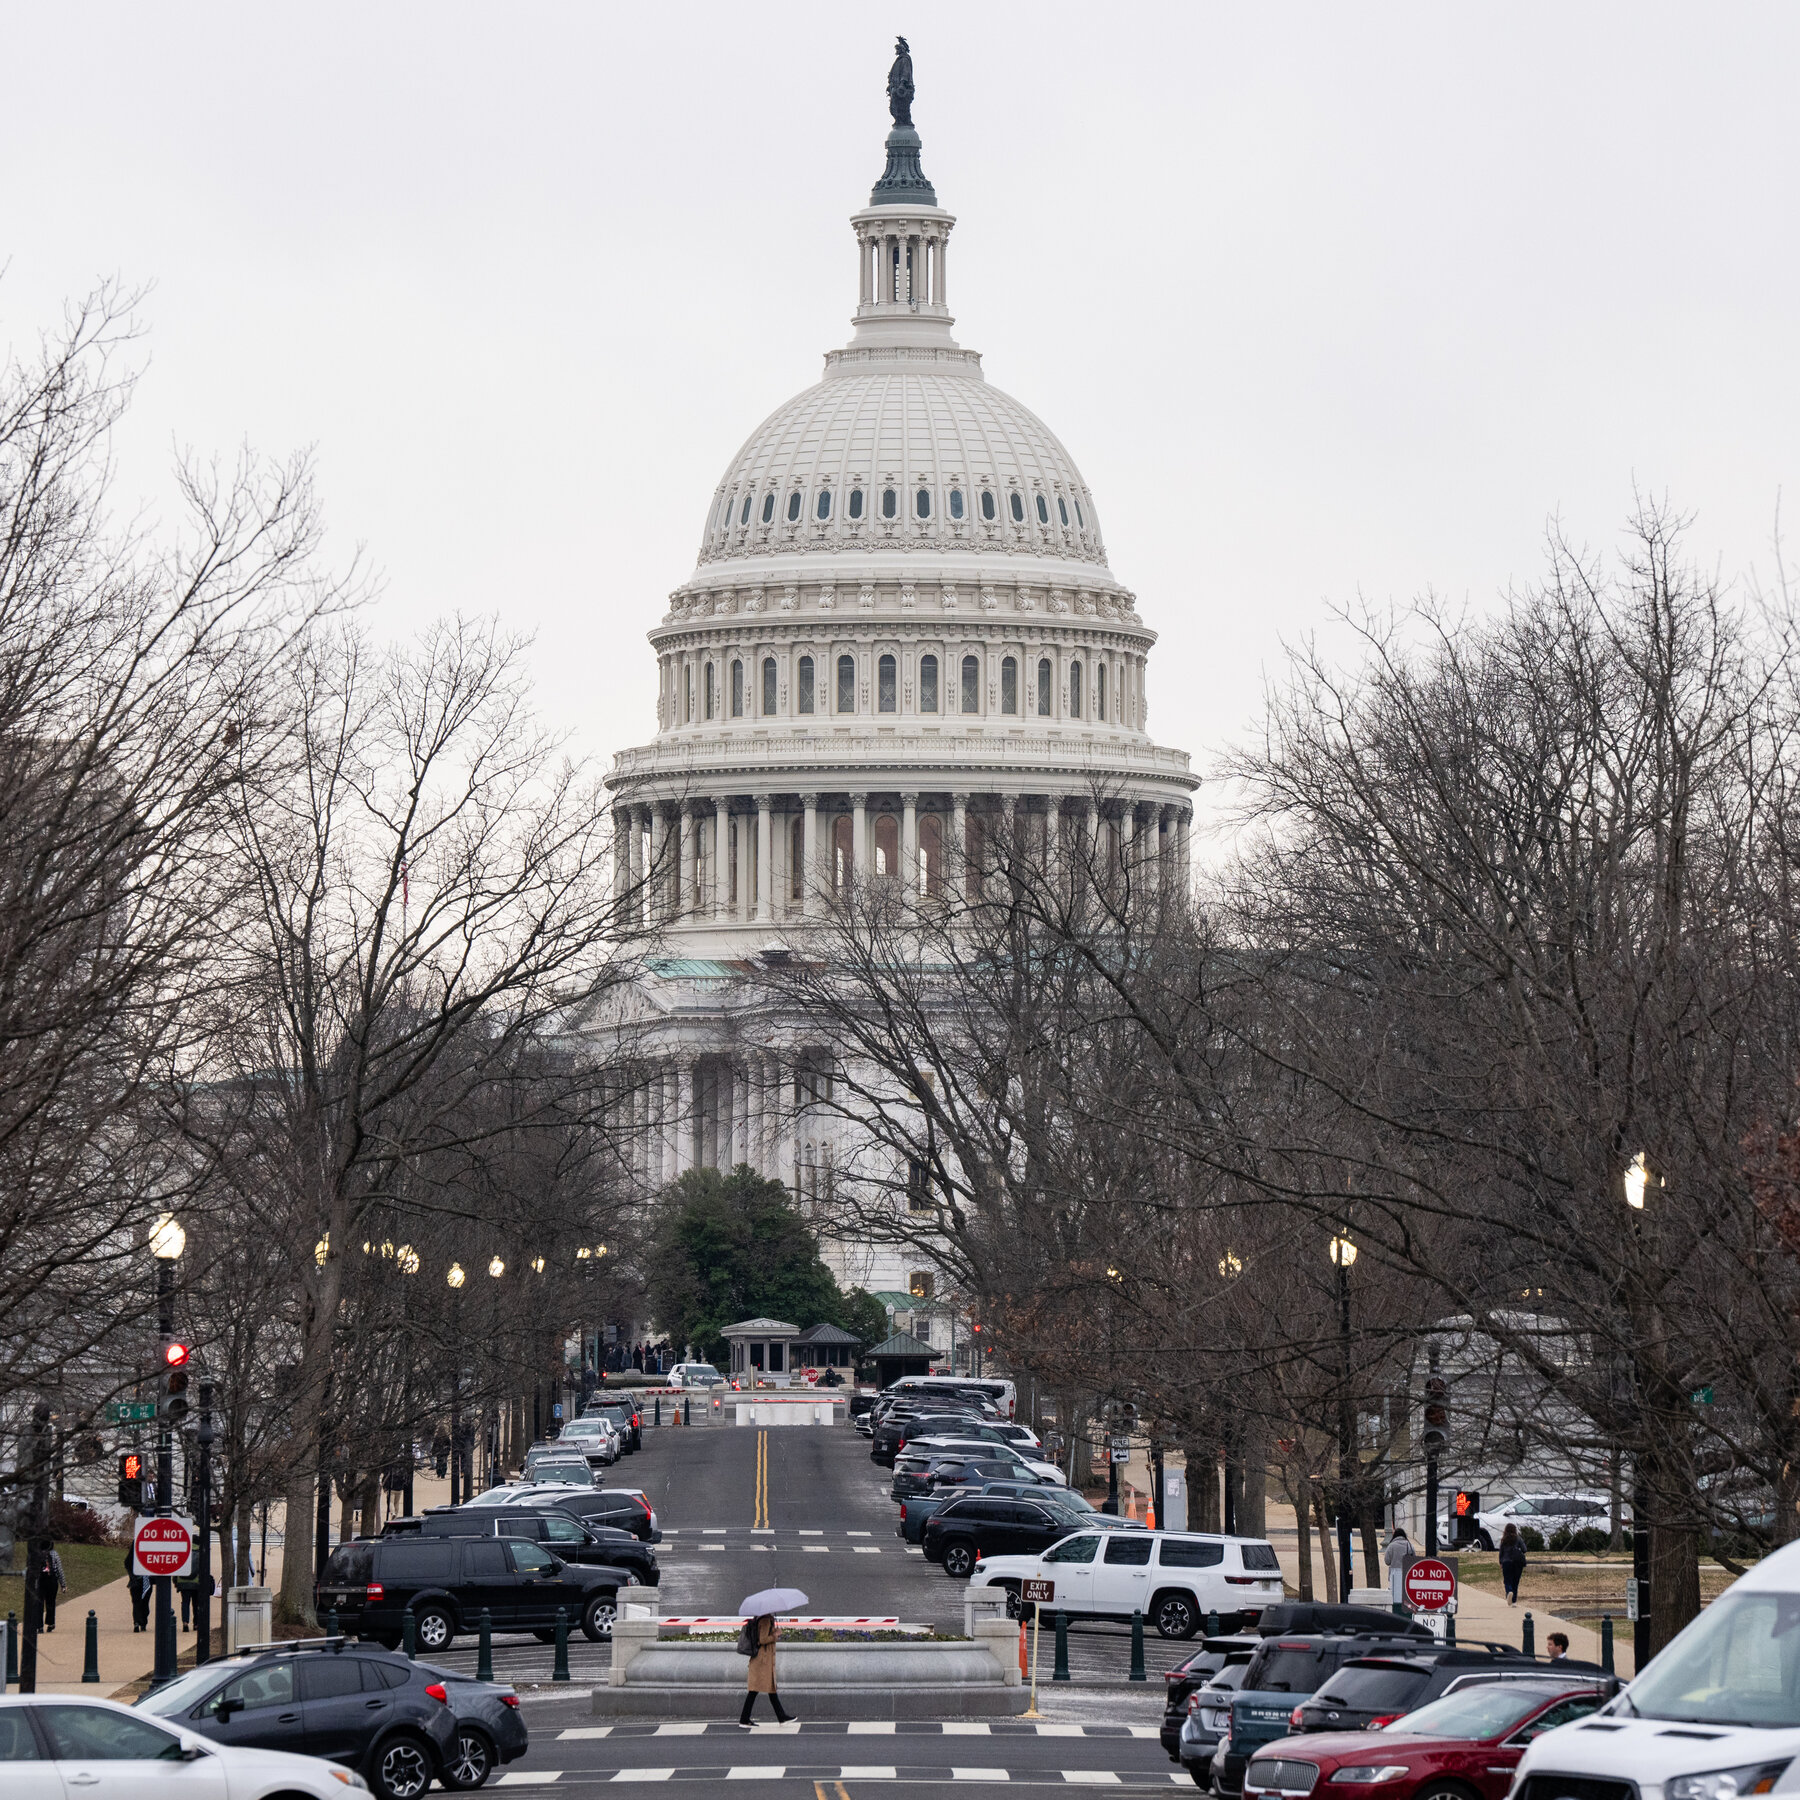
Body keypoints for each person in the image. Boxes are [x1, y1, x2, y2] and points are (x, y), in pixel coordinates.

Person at [740, 1613, 794, 1726]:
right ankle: (744, 1719)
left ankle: (781, 1717)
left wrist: (773, 1631)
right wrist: (776, 1635)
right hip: (762, 1661)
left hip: (763, 1660)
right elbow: (763, 1639)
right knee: (756, 1690)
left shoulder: (764, 1619)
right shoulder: (765, 1620)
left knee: (768, 1689)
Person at [32, 1541, 66, 1632]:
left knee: (39, 1604)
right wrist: (63, 1584)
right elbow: (59, 1570)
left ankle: (39, 1626)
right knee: (51, 1602)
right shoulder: (54, 1554)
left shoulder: (37, 1554)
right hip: (52, 1581)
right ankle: (51, 1623)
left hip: (40, 1581)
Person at [1383, 1525, 1415, 1605]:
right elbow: (1414, 1560)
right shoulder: (1409, 1545)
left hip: (1394, 1575)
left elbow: (1387, 1561)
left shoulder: (1391, 1546)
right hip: (1407, 1574)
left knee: (1394, 1595)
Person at [1498, 1522, 1527, 1605]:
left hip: (1506, 1562)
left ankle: (1509, 1592)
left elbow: (1501, 1552)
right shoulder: (1519, 1539)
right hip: (1517, 1563)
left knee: (1507, 1581)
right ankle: (1514, 1601)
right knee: (1515, 1582)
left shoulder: (1504, 1540)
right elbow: (1524, 1549)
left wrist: (1501, 1562)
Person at [125, 1546, 151, 1632]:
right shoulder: (147, 1553)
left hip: (135, 1582)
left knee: (136, 1603)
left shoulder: (132, 1555)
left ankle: (136, 1622)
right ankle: (143, 1623)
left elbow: (126, 1563)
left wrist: (132, 1576)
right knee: (145, 1602)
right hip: (146, 1581)